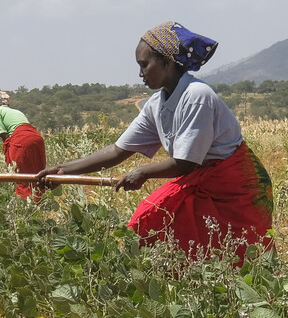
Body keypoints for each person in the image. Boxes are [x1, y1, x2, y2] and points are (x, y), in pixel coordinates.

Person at [36, 22, 273, 260]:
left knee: (245, 248)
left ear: (167, 63)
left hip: (235, 185)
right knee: (155, 225)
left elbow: (185, 164)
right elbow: (117, 151)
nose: (141, 74)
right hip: (200, 181)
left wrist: (143, 172)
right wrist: (64, 171)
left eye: (144, 65)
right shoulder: (156, 106)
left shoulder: (197, 96)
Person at [0, 91, 47, 201]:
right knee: (37, 173)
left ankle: (24, 202)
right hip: (37, 138)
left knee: (21, 175)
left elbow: (3, 134)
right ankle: (40, 201)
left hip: (20, 139)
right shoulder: (17, 111)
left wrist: (9, 152)